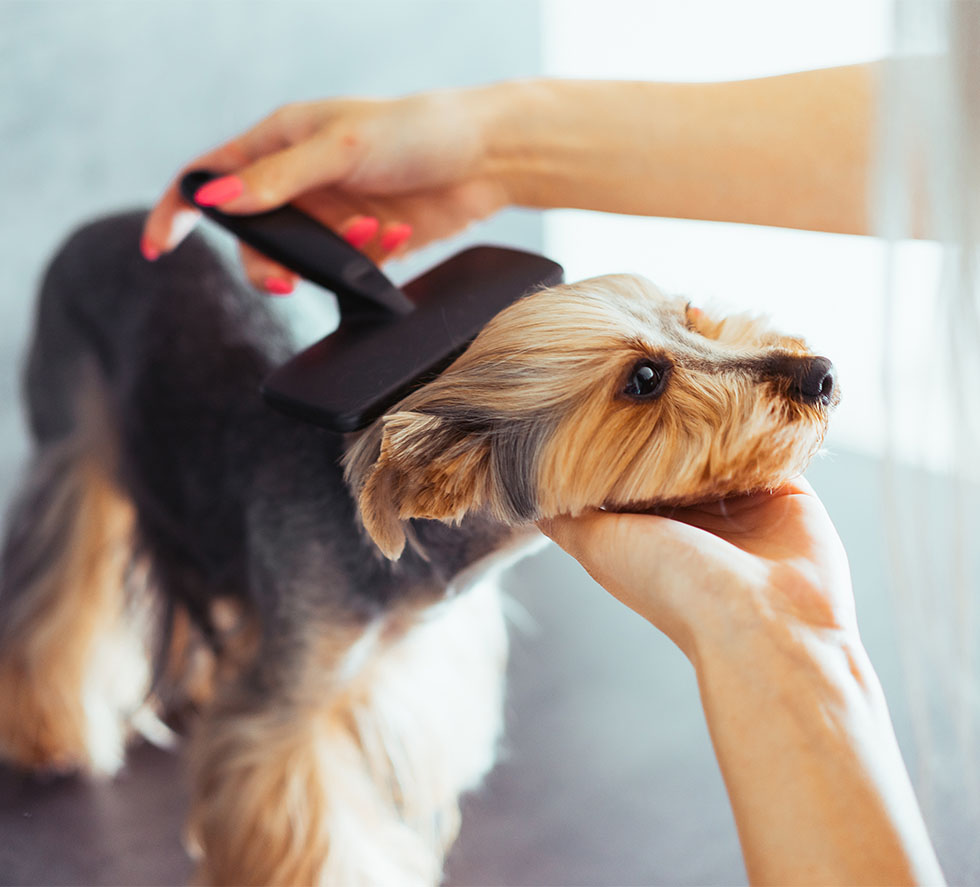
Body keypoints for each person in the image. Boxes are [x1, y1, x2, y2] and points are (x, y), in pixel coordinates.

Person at [143, 67, 948, 885]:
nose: (798, 372)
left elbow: (948, 130)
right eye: (644, 382)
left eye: (692, 325)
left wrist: (491, 145)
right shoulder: (378, 523)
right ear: (437, 476)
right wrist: (488, 146)